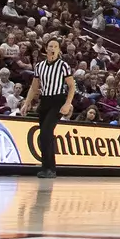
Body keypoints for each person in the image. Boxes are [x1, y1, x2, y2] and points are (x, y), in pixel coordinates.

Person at [24, 38, 75, 178]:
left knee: (46, 131)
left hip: (58, 100)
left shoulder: (63, 65)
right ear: (46, 49)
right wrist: (27, 102)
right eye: (50, 46)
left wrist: (67, 103)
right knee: (45, 134)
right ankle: (46, 167)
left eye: (56, 46)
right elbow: (34, 87)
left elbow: (71, 86)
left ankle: (50, 168)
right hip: (45, 100)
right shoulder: (40, 66)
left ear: (59, 50)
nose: (52, 48)